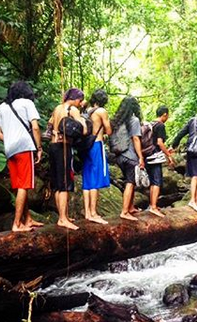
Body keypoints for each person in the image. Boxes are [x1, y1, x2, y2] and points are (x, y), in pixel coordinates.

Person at [0, 81, 44, 232]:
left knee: (18, 185)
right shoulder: (27, 103)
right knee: (24, 185)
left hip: (10, 149)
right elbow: (35, 127)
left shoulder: (1, 107)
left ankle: (27, 219)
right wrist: (39, 147)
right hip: (24, 147)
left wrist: (9, 139)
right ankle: (16, 224)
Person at [48, 88, 87, 230]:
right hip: (64, 147)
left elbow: (50, 125)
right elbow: (84, 130)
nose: (80, 103)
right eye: (80, 100)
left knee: (58, 184)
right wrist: (82, 120)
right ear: (75, 99)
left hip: (53, 146)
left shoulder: (57, 108)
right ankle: (63, 219)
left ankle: (62, 216)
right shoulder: (73, 109)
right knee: (65, 183)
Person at [111, 96, 145, 221]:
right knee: (130, 183)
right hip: (130, 156)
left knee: (129, 181)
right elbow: (136, 139)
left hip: (119, 156)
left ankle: (130, 207)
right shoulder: (134, 120)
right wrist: (141, 157)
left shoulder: (116, 121)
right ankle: (124, 211)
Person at [82, 89, 112, 224]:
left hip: (86, 146)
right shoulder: (101, 111)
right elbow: (109, 130)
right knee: (96, 178)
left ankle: (87, 213)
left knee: (87, 179)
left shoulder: (87, 111)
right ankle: (94, 213)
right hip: (96, 145)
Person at [145, 105, 176, 217]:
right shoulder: (160, 125)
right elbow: (159, 142)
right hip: (155, 156)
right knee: (157, 181)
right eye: (167, 115)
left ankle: (151, 205)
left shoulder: (150, 124)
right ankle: (153, 207)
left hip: (147, 155)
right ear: (164, 114)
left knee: (152, 181)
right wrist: (168, 155)